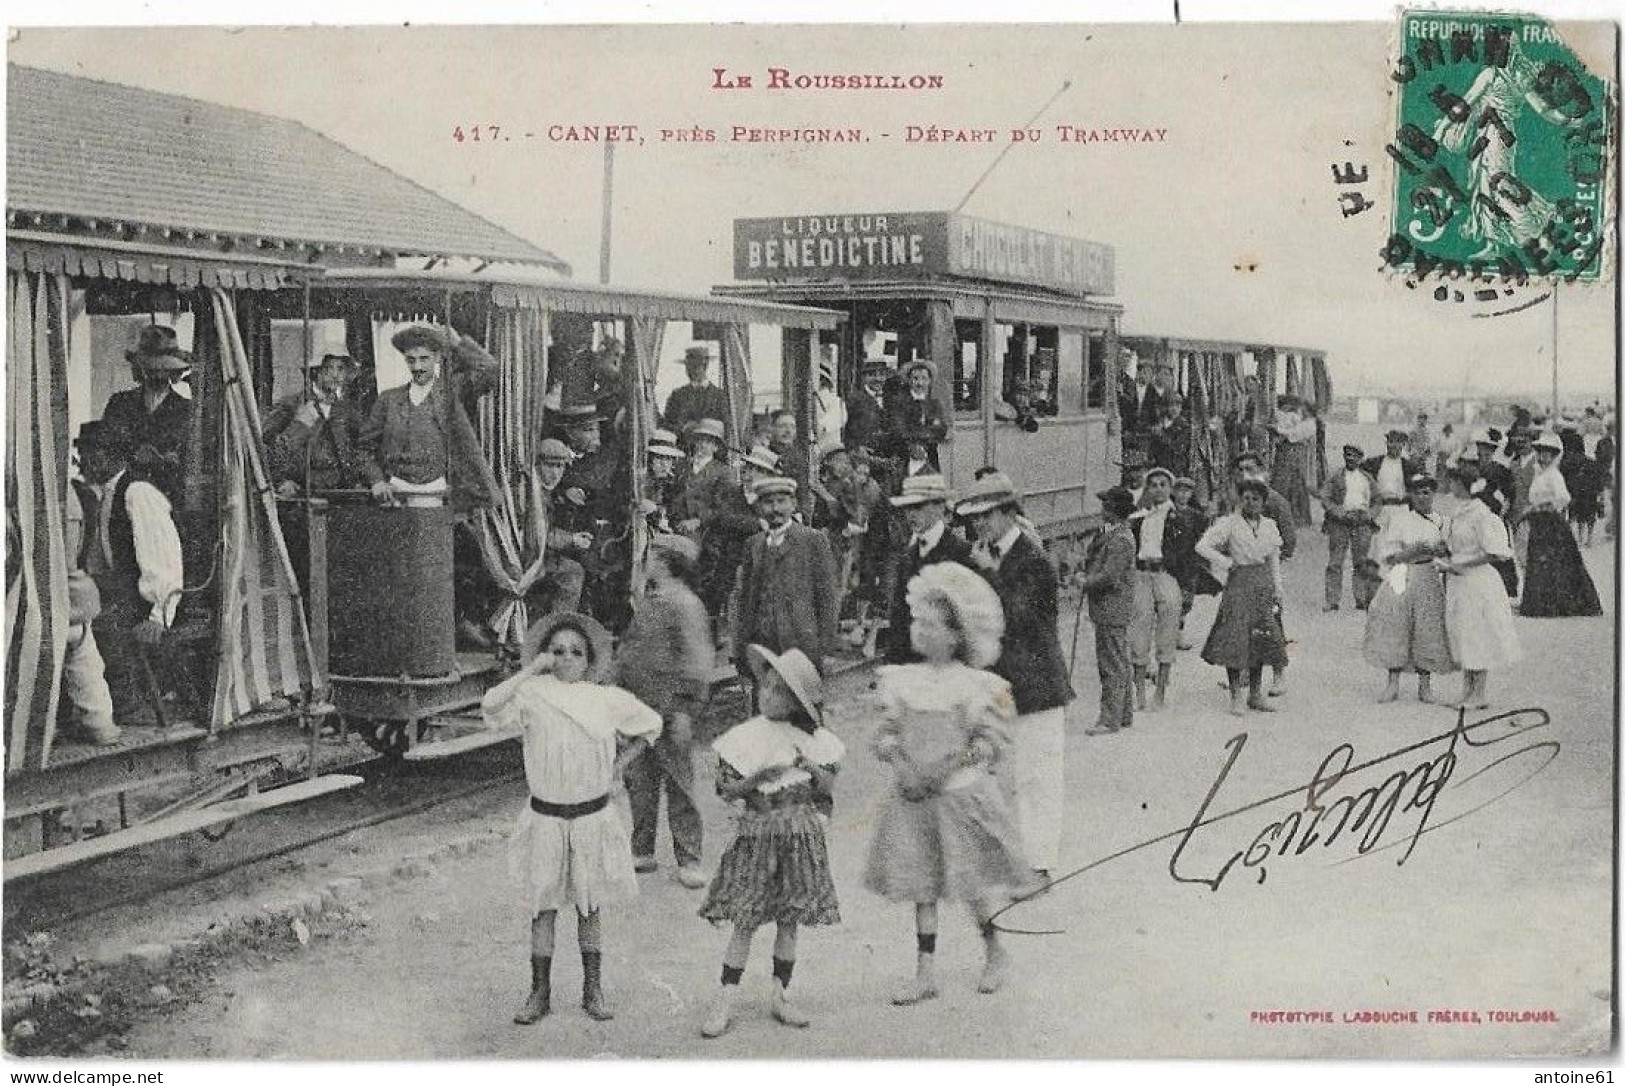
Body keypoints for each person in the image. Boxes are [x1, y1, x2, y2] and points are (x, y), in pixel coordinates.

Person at [482, 611, 662, 1025]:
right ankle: (539, 992)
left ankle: (592, 989)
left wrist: (619, 767)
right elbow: (491, 704)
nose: (566, 659)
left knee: (588, 904)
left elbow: (651, 725)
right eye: (558, 651)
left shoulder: (604, 698)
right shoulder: (532, 694)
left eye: (575, 652)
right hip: (545, 817)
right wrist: (532, 669)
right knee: (542, 905)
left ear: (588, 659)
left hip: (590, 818)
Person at [865, 562, 1027, 1004]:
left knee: (969, 882)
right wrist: (901, 763)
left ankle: (995, 951)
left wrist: (947, 767)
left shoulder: (975, 685)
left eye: (933, 625)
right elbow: (885, 732)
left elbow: (990, 742)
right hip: (914, 795)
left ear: (956, 635)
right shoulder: (902, 680)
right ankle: (925, 971)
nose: (922, 631)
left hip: (956, 795)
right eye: (918, 622)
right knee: (922, 884)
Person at [699, 646, 843, 1037]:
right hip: (758, 835)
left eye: (779, 690)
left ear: (797, 702)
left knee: (789, 920)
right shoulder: (745, 738)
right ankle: (725, 997)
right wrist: (755, 780)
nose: (767, 694)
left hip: (798, 836)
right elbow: (725, 790)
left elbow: (827, 787)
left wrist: (807, 765)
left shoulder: (815, 741)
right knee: (745, 919)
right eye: (766, 685)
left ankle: (781, 993)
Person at [955, 472, 1073, 880]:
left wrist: (988, 575)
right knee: (1001, 777)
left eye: (985, 516)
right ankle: (1009, 859)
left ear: (1007, 512)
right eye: (973, 519)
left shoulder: (1034, 559)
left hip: (1038, 687)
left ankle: (1039, 863)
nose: (979, 525)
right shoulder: (987, 556)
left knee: (1038, 778)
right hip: (1000, 686)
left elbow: (1020, 618)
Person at [74, 422, 184, 732]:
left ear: (109, 456)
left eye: (88, 455)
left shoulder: (138, 493)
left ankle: (130, 703)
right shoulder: (105, 492)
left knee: (105, 618)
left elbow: (163, 558)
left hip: (149, 598)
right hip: (124, 588)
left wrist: (159, 615)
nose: (84, 463)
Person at [617, 535, 714, 888]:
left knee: (679, 784)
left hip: (671, 709)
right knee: (639, 782)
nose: (647, 561)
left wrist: (687, 708)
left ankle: (690, 857)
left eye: (654, 556)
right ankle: (641, 850)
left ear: (670, 563)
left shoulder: (685, 604)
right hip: (640, 707)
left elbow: (697, 659)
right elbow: (629, 653)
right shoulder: (651, 600)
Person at [356, 325, 499, 512]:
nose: (418, 367)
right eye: (411, 360)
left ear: (438, 357)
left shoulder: (450, 395)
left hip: (436, 494)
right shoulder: (389, 400)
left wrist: (458, 344)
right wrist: (377, 482)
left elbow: (489, 370)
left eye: (424, 359)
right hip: (395, 495)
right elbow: (364, 448)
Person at [264, 352, 361, 598]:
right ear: (315, 372)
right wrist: (281, 480)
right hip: (301, 501)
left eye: (341, 369)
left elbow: (363, 447)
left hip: (338, 500)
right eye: (330, 368)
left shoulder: (347, 412)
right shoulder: (292, 405)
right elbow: (266, 447)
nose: (336, 375)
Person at [1196, 478, 1289, 717]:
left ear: (1263, 502)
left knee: (1261, 638)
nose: (1250, 502)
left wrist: (1278, 588)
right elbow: (1203, 546)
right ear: (1240, 499)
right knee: (1235, 638)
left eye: (1255, 498)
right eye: (1246, 497)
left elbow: (1274, 558)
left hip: (1262, 583)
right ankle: (1236, 696)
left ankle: (1255, 695)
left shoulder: (1269, 525)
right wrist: (1227, 563)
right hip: (1239, 582)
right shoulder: (1229, 523)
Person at [1362, 473, 1455, 703]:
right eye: (1418, 492)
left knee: (1427, 628)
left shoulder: (1442, 521)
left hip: (1428, 575)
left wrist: (1440, 551)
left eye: (1427, 491)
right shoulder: (1401, 520)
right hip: (1403, 573)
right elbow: (1390, 556)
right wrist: (1412, 551)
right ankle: (1392, 683)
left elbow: (1450, 552)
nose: (1423, 496)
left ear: (1433, 493)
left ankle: (1425, 686)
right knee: (1397, 625)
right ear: (1411, 495)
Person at [733, 475, 840, 675]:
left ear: (794, 504)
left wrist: (826, 649)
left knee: (801, 704)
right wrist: (740, 650)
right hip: (761, 648)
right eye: (768, 503)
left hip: (801, 647)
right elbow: (744, 601)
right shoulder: (753, 545)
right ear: (759, 507)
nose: (775, 509)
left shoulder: (812, 540)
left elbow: (829, 597)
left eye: (781, 501)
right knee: (763, 703)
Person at [1439, 466, 1522, 709]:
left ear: (1462, 485)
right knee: (1463, 632)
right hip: (1459, 580)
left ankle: (1479, 693)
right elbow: (1455, 544)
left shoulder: (1481, 514)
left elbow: (1495, 553)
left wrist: (1462, 563)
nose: (1449, 487)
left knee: (1477, 633)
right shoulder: (1459, 511)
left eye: (1452, 482)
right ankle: (1467, 691)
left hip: (1477, 581)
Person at [881, 474, 973, 664]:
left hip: (948, 666)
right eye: (907, 508)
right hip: (911, 667)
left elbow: (971, 622)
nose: (911, 515)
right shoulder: (908, 555)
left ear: (939, 507)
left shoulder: (961, 553)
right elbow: (899, 618)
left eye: (918, 507)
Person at [59, 463, 118, 746]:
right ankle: (100, 724)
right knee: (85, 660)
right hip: (76, 593)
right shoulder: (73, 494)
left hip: (54, 598)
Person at [100, 325, 195, 501]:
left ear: (174, 370)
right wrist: (134, 456)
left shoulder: (186, 410)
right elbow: (104, 452)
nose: (158, 372)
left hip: (169, 499)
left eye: (164, 367)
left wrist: (167, 460)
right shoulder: (120, 404)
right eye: (152, 367)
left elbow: (190, 461)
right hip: (126, 496)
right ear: (141, 368)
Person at [1517, 433, 1602, 618]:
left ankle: (1557, 603)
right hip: (1538, 522)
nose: (1541, 457)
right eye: (1539, 453)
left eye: (1546, 454)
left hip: (1550, 522)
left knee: (1554, 561)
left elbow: (1564, 498)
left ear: (1553, 455)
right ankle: (1540, 603)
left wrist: (1540, 506)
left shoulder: (1554, 475)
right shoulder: (1540, 474)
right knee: (1539, 560)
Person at [1077, 486, 1139, 735]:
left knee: (1111, 663)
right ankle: (1123, 714)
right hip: (1111, 608)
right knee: (1119, 660)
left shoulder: (1121, 539)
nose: (1102, 510)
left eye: (1106, 505)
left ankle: (1109, 719)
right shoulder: (1116, 534)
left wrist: (1085, 581)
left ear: (1115, 510)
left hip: (1112, 607)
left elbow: (1109, 577)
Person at [1127, 468, 1183, 711]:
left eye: (1163, 484)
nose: (1158, 489)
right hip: (1142, 575)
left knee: (1168, 630)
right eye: (1153, 485)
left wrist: (1186, 587)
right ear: (1147, 489)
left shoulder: (1181, 517)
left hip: (1166, 575)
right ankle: (1139, 690)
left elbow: (1189, 557)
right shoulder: (1139, 518)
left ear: (1170, 488)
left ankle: (1160, 690)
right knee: (1139, 629)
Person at [1321, 444, 1378, 612]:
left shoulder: (1367, 478)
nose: (1350, 458)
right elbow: (1326, 497)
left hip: (1362, 522)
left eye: (1354, 455)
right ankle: (1332, 600)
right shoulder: (1336, 476)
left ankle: (1361, 599)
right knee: (1335, 562)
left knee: (1360, 562)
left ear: (1361, 458)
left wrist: (1370, 515)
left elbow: (1377, 500)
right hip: (1340, 522)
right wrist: (1339, 513)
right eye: (1347, 455)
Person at [1167, 476, 1222, 648]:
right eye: (1179, 491)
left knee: (1186, 600)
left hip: (1189, 563)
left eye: (1187, 491)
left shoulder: (1196, 516)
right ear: (1173, 492)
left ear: (1191, 494)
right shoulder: (1166, 513)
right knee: (1169, 599)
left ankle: (1178, 635)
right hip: (1171, 562)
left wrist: (1212, 516)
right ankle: (1168, 634)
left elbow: (1206, 534)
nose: (1183, 495)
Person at [888, 358, 950, 471]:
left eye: (924, 378)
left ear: (930, 381)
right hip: (905, 456)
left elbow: (941, 430)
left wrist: (923, 437)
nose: (919, 383)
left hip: (930, 456)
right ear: (909, 380)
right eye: (915, 378)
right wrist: (913, 444)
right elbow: (898, 429)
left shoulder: (934, 404)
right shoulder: (899, 403)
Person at [663, 346, 731, 436]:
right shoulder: (677, 395)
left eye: (695, 366)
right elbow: (668, 425)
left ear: (705, 366)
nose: (690, 371)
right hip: (683, 446)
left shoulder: (720, 396)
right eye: (688, 367)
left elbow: (727, 427)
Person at [1270, 395, 1317, 526]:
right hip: (1291, 453)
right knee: (1289, 483)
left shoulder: (1309, 424)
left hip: (1293, 453)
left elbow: (1293, 435)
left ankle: (1295, 517)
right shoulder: (1302, 420)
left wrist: (1277, 430)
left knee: (1289, 483)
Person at [1363, 429, 1420, 524]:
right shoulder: (1375, 463)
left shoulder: (1409, 466)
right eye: (1391, 441)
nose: (1394, 445)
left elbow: (1417, 489)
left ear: (1403, 444)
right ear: (1386, 443)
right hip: (1380, 509)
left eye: (1398, 442)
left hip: (1401, 510)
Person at [1558, 427, 1602, 547]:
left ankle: (1578, 538)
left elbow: (1562, 479)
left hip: (1574, 491)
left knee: (1574, 513)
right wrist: (1599, 493)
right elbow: (1598, 479)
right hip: (1590, 491)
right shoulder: (1591, 461)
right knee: (1590, 514)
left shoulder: (1566, 462)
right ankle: (1589, 538)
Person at [843, 359, 895, 454]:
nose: (878, 379)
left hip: (887, 457)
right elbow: (846, 431)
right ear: (864, 377)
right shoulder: (854, 400)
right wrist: (855, 448)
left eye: (882, 375)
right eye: (872, 375)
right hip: (863, 457)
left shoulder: (890, 399)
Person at [1148, 393, 1192, 479]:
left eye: (1178, 405)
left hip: (1176, 469)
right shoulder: (1158, 423)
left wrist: (1161, 435)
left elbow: (1178, 448)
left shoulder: (1184, 426)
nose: (1175, 409)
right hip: (1159, 467)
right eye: (1171, 405)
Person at [767, 409, 809, 485]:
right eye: (782, 426)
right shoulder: (764, 456)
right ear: (771, 428)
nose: (788, 431)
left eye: (792, 427)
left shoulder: (800, 459)